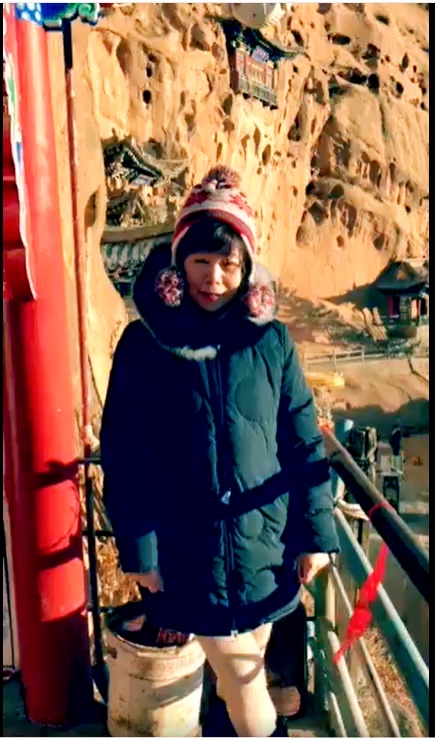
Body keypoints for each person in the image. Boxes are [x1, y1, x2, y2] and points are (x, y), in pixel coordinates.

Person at [100, 166, 340, 737]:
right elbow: (125, 454)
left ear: (246, 267)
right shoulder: (145, 344)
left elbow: (302, 439)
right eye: (202, 261)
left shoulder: (272, 340)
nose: (214, 278)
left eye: (229, 264)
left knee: (246, 669)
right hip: (187, 553)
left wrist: (314, 534)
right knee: (246, 689)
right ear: (179, 261)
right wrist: (141, 551)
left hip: (266, 546)